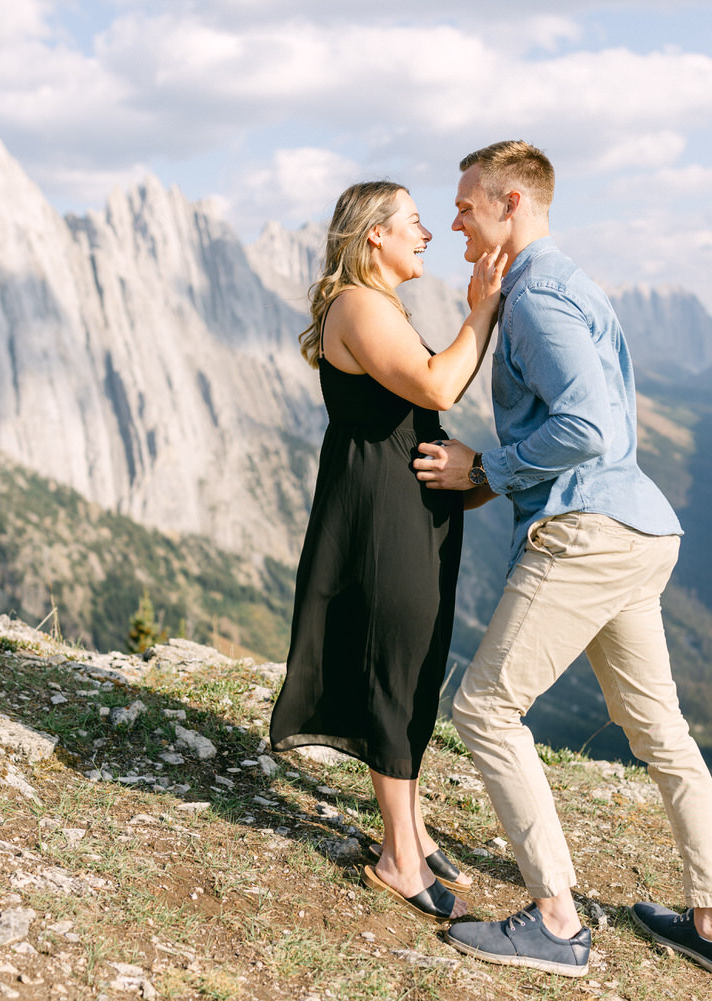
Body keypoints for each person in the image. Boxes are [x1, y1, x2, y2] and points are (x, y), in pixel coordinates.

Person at [414, 141, 712, 978]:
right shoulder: (572, 283)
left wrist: (487, 469)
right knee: (659, 728)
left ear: (513, 202)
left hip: (588, 533)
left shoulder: (535, 300)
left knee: (486, 709)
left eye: (466, 203)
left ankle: (557, 920)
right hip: (641, 529)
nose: (453, 217)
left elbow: (587, 426)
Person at [269, 180, 506, 923]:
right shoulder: (359, 306)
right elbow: (438, 380)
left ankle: (413, 830)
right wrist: (483, 308)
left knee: (414, 663)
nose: (428, 232)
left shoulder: (381, 304)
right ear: (374, 234)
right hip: (381, 517)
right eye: (412, 221)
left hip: (408, 508)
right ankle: (398, 857)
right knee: (393, 668)